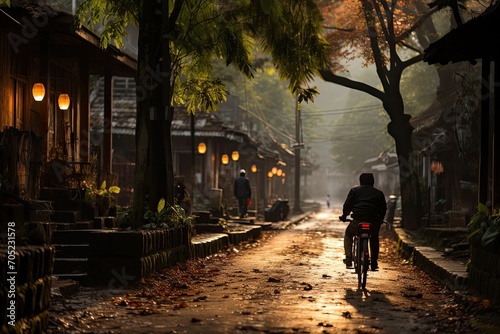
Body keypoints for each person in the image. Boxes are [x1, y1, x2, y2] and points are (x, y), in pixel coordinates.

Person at [339, 173, 386, 271]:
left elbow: (347, 205)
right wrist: (380, 219)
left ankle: (348, 259)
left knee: (348, 234)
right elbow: (383, 208)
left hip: (357, 221)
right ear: (373, 181)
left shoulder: (354, 191)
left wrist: (344, 216)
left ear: (360, 181)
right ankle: (374, 262)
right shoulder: (379, 193)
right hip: (373, 222)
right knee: (374, 237)